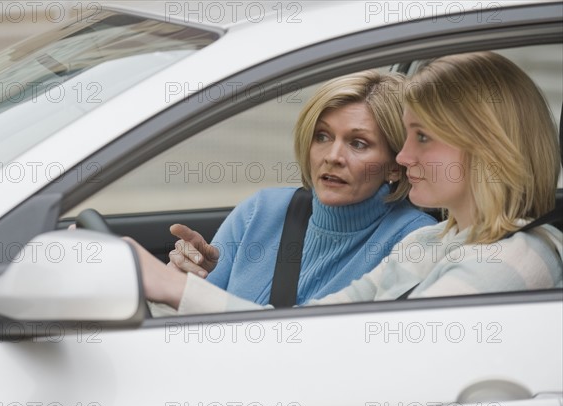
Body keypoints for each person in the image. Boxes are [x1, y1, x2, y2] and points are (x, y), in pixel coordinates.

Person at [130, 51, 562, 313]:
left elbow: (361, 360)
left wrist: (172, 287)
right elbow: (309, 325)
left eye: (423, 137)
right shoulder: (430, 242)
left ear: (487, 146)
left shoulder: (519, 260)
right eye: (322, 136)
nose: (406, 155)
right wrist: (174, 287)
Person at [165, 70, 436, 306]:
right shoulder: (260, 211)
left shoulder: (415, 239)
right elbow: (190, 323)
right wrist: (186, 280)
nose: (333, 156)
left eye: (358, 143)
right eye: (322, 136)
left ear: (394, 165)